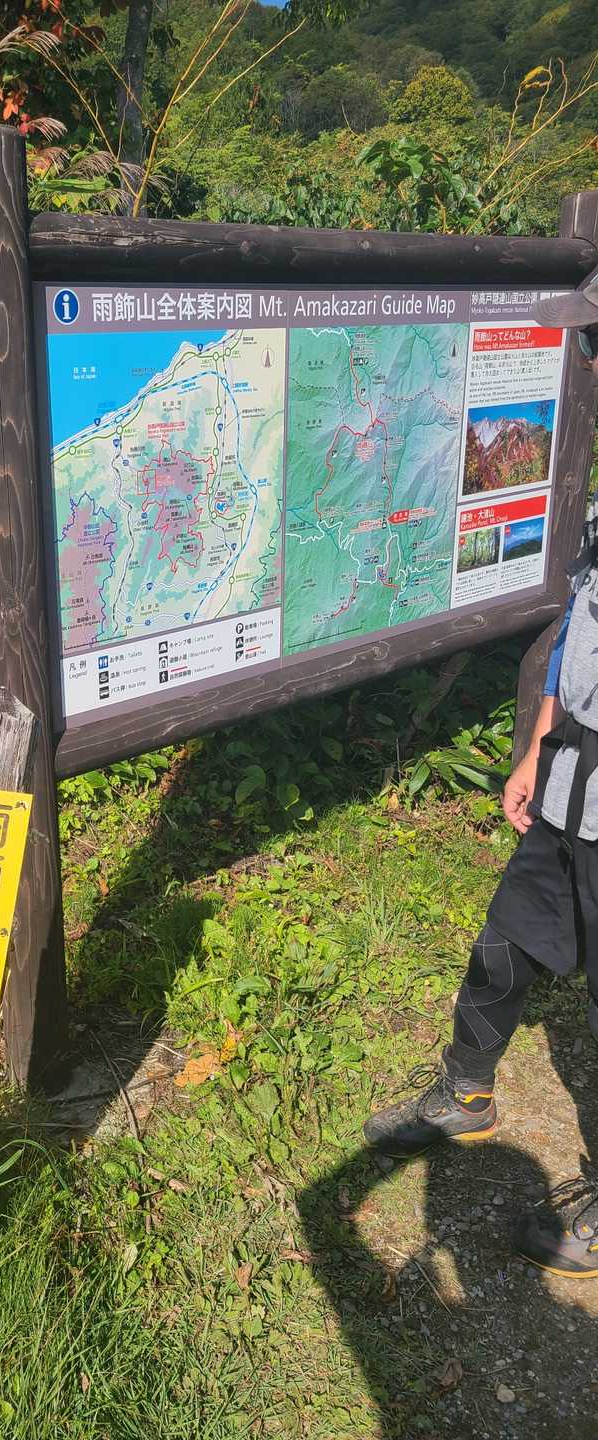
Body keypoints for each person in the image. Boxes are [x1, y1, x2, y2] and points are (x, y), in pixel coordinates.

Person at [363, 283, 598, 1279]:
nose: (592, 361)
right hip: (573, 779)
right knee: (507, 939)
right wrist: (538, 744)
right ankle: (465, 1093)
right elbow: (580, 628)